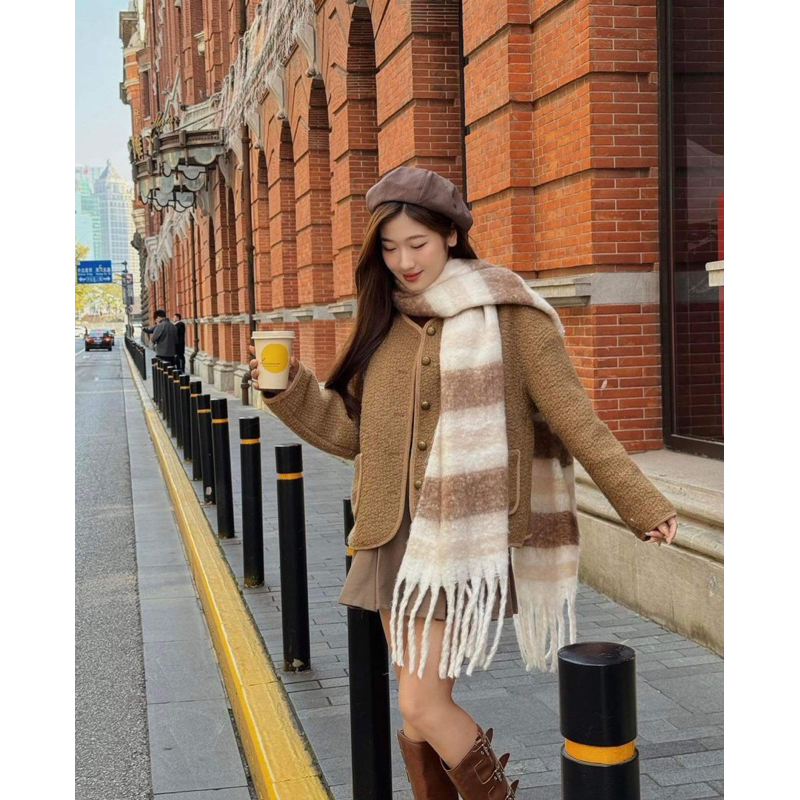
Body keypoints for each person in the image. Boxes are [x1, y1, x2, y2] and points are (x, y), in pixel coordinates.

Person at [249, 167, 678, 800]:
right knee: (413, 708)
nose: (403, 262)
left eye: (416, 244)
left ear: (450, 234)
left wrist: (639, 502)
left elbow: (574, 417)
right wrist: (288, 387)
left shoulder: (511, 316)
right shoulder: (383, 322)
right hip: (390, 536)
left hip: (459, 535)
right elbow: (354, 434)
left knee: (423, 704)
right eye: (389, 249)